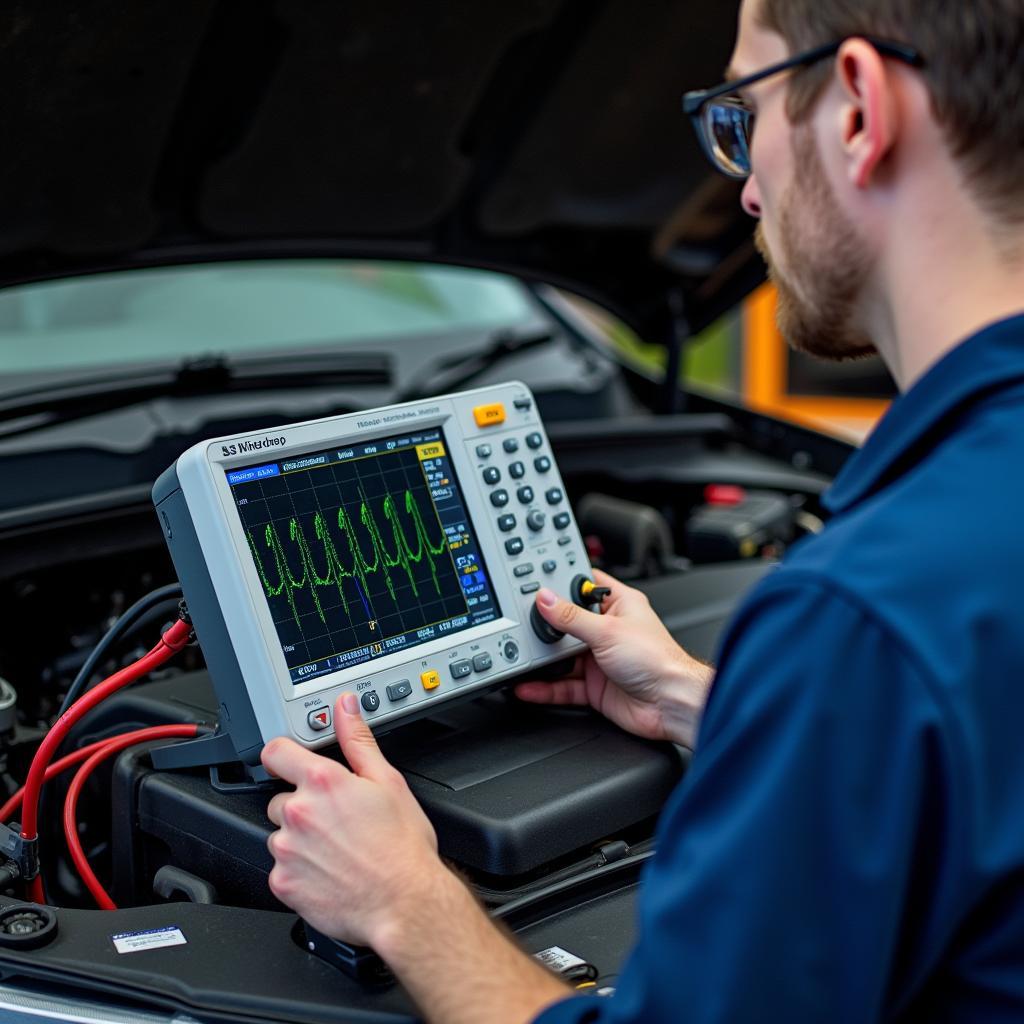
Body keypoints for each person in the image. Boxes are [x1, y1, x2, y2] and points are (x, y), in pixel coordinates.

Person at [260, 0, 1024, 1019]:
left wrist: (402, 898)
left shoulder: (866, 618)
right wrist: (708, 706)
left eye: (740, 119)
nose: (745, 190)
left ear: (854, 109)